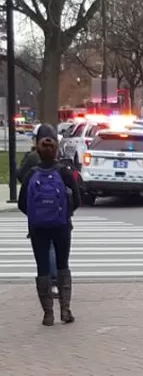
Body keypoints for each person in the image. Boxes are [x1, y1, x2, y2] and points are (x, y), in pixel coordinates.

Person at [18, 125, 80, 326]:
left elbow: (21, 203)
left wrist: (35, 216)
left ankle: (47, 314)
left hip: (38, 229)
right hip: (62, 226)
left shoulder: (31, 174)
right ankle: (65, 310)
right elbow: (77, 199)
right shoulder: (64, 172)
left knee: (42, 268)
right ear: (56, 150)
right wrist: (65, 213)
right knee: (63, 265)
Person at [19, 125, 60, 297]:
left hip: (37, 219)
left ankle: (46, 296)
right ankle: (57, 284)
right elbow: (74, 196)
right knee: (55, 249)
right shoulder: (61, 167)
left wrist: (33, 212)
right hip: (59, 220)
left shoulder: (31, 163)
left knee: (42, 254)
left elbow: (21, 198)